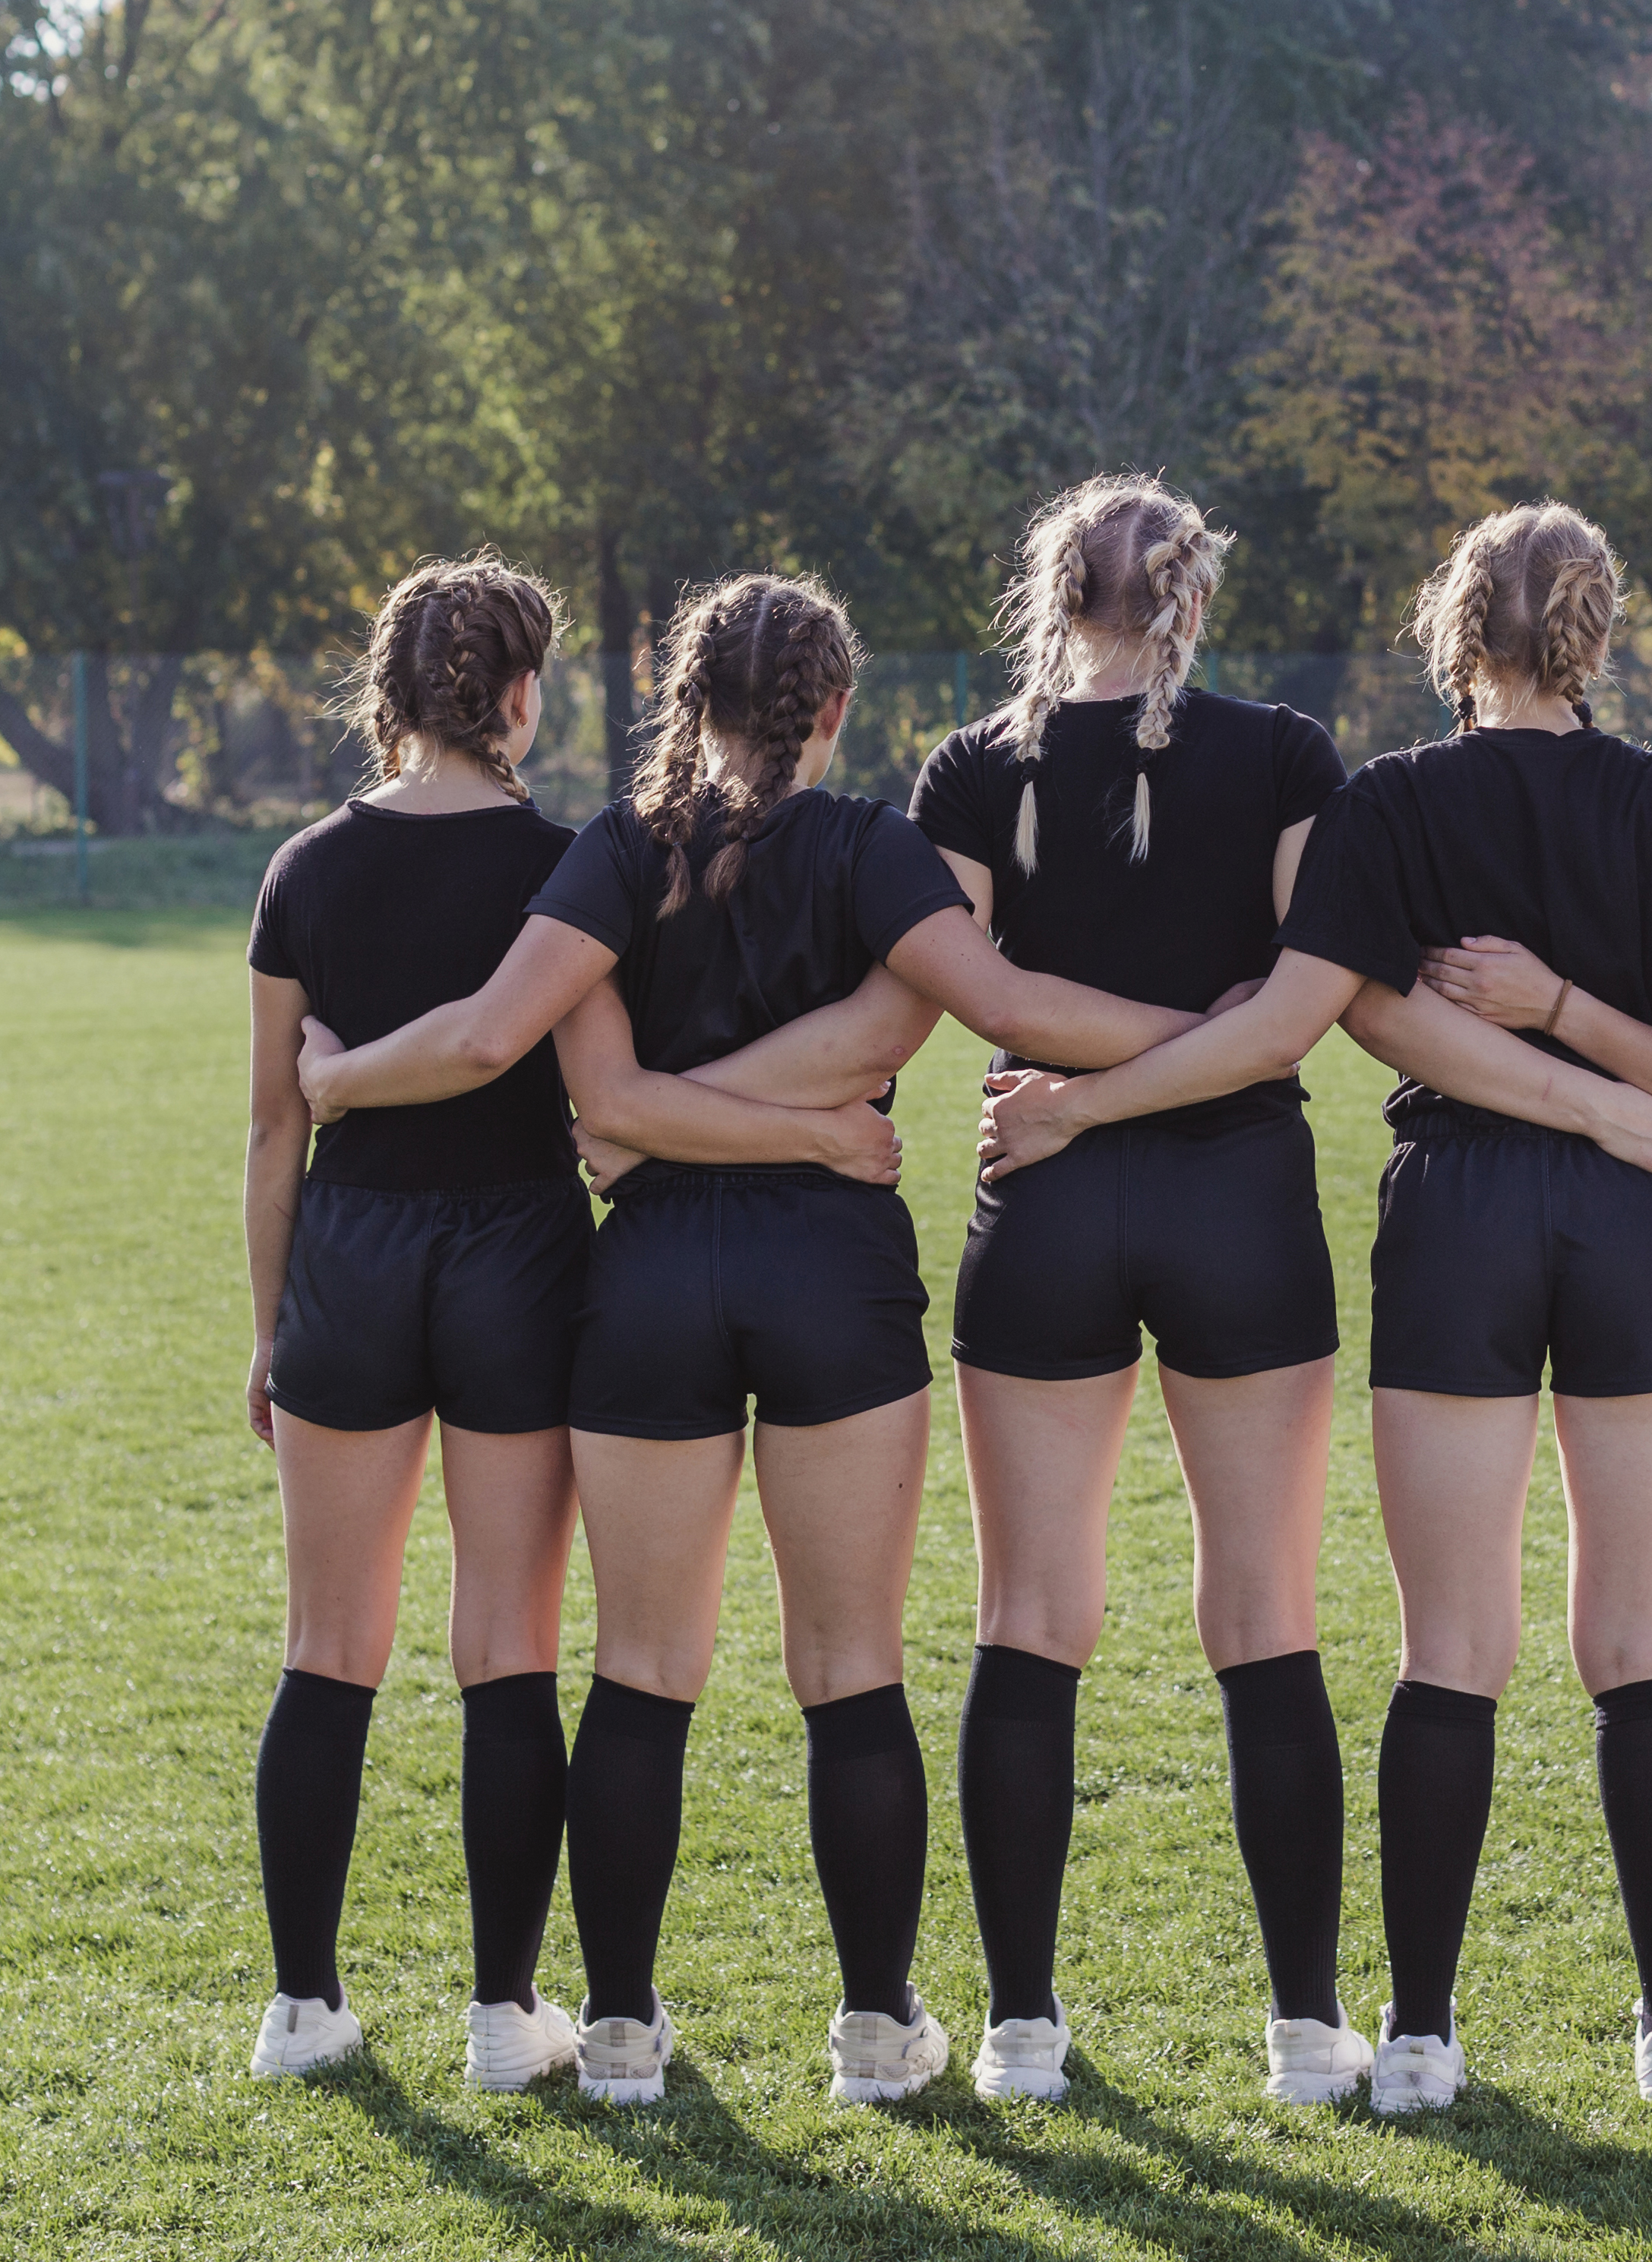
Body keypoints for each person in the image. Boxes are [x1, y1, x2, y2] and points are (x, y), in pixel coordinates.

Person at [978, 503, 1652, 2113]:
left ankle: (1415, 2037)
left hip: (1458, 1220)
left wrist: (1544, 1045)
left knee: (1450, 1647)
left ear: (1446, 634)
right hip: (1640, 1222)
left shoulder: (1390, 800)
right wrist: (1615, 1083)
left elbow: (1352, 1018)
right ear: (1599, 640)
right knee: (1641, 1644)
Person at [293, 573, 1218, 2106]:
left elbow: (605, 1107)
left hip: (644, 1281)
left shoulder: (609, 850)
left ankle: (627, 2037)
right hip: (829, 1279)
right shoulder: (874, 845)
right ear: (834, 707)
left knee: (644, 1670)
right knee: (848, 1669)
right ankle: (871, 2036)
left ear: (682, 699)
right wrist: (1219, 1028)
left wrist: (665, 1139)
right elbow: (999, 1005)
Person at [903, 474, 1362, 2104]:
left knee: (1031, 1619)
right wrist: (1200, 1039)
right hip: (1237, 1193)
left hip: (1043, 1186)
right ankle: (1308, 2033)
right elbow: (1298, 1008)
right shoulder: (1290, 755)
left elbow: (981, 993)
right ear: (1191, 595)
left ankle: (1022, 2032)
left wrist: (1081, 1093)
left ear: (1051, 594)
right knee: (1264, 1616)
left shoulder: (974, 766)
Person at [241, 554, 592, 2090]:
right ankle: (505, 2020)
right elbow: (596, 1098)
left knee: (330, 1646)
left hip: (352, 1256)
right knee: (509, 1643)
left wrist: (271, 1328)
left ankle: (302, 2011)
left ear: (388, 698)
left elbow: (273, 1134)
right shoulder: (576, 863)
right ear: (521, 695)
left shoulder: (304, 867)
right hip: (521, 1250)